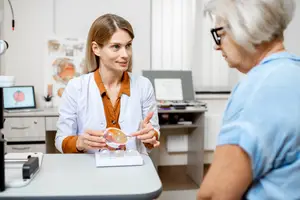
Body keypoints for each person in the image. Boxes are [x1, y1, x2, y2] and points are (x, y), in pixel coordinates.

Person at [197, 0, 300, 199]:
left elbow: (214, 194)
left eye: (220, 35)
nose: (216, 46)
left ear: (245, 26)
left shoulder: (259, 88)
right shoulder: (293, 72)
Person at [55, 14, 160, 154]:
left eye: (128, 46)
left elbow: (154, 133)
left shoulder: (143, 85)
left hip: (133, 169)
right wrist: (79, 142)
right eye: (116, 47)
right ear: (96, 49)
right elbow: (60, 140)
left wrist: (151, 136)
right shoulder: (76, 87)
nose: (125, 54)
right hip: (90, 170)